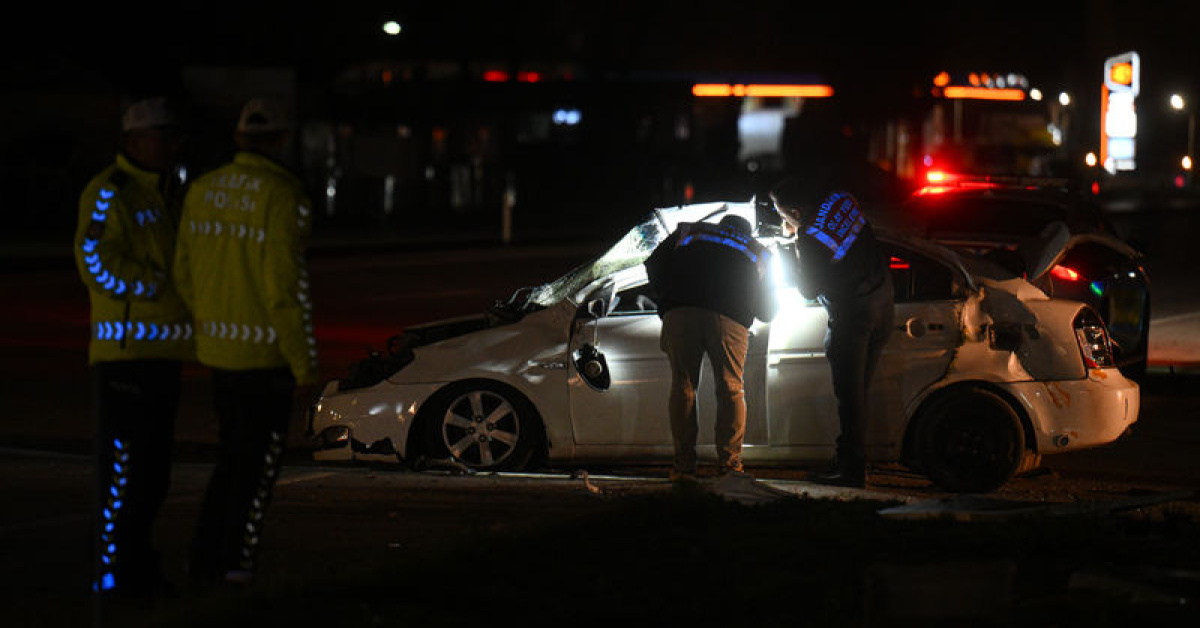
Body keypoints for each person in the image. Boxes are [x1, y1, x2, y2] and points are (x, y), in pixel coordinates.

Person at [173, 97, 318, 586]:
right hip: (266, 358)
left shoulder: (202, 190)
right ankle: (237, 564)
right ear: (280, 140)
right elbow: (285, 288)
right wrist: (304, 364)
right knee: (258, 470)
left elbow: (184, 274)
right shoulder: (284, 195)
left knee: (230, 459)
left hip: (219, 354)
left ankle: (204, 557)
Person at [75, 96, 195, 600]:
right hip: (126, 357)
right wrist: (148, 285)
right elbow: (92, 256)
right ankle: (115, 575)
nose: (170, 144)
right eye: (160, 136)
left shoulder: (168, 191)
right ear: (133, 142)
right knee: (126, 477)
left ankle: (134, 568)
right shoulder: (111, 191)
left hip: (163, 356)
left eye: (173, 136)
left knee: (152, 475)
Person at [770, 177, 894, 488]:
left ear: (796, 211)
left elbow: (809, 289)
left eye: (782, 215)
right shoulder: (842, 198)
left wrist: (796, 249)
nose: (781, 220)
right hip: (882, 299)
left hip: (853, 316)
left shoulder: (809, 239)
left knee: (849, 397)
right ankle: (855, 461)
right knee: (859, 393)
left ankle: (851, 471)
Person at [644, 214, 777, 482]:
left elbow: (653, 262)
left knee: (683, 386)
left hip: (680, 312)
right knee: (730, 388)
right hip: (728, 318)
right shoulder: (756, 250)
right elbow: (768, 310)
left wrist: (667, 296)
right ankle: (730, 466)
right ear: (748, 232)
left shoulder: (689, 231)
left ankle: (684, 467)